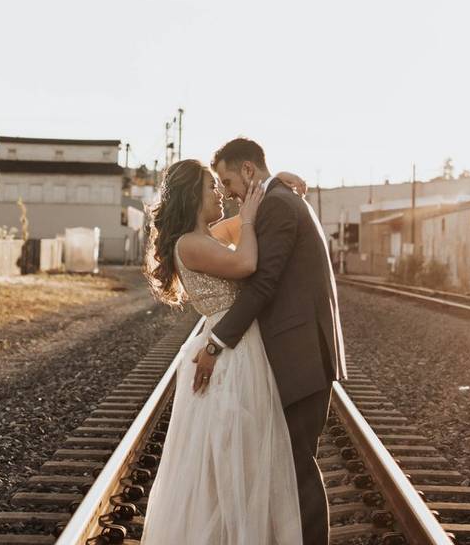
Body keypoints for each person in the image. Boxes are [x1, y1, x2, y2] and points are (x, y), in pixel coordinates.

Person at [140, 157, 308, 545]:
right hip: (230, 353)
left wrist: (274, 182)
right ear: (192, 196)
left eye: (219, 185)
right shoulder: (190, 244)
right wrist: (248, 221)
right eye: (210, 187)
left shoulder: (207, 236)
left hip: (237, 344)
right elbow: (247, 262)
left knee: (238, 455)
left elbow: (252, 212)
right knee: (231, 455)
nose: (219, 193)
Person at [201, 137, 347, 545]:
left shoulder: (279, 205)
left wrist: (217, 342)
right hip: (296, 350)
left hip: (300, 355)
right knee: (288, 463)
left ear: (248, 170)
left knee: (296, 464)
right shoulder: (275, 199)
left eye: (228, 181)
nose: (227, 193)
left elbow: (263, 284)